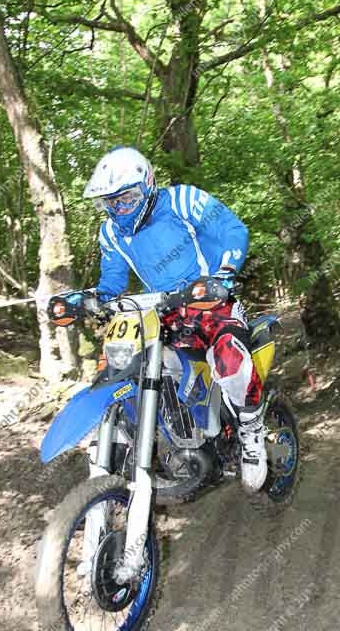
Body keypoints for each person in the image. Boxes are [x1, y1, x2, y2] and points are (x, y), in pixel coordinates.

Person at [83, 145, 267, 494]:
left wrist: (224, 273)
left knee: (228, 354)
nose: (119, 209)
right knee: (131, 365)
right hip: (162, 313)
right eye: (111, 202)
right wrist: (92, 299)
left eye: (126, 199)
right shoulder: (111, 234)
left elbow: (232, 229)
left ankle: (252, 429)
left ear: (147, 185)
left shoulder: (181, 201)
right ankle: (144, 442)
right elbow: (112, 282)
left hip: (209, 301)